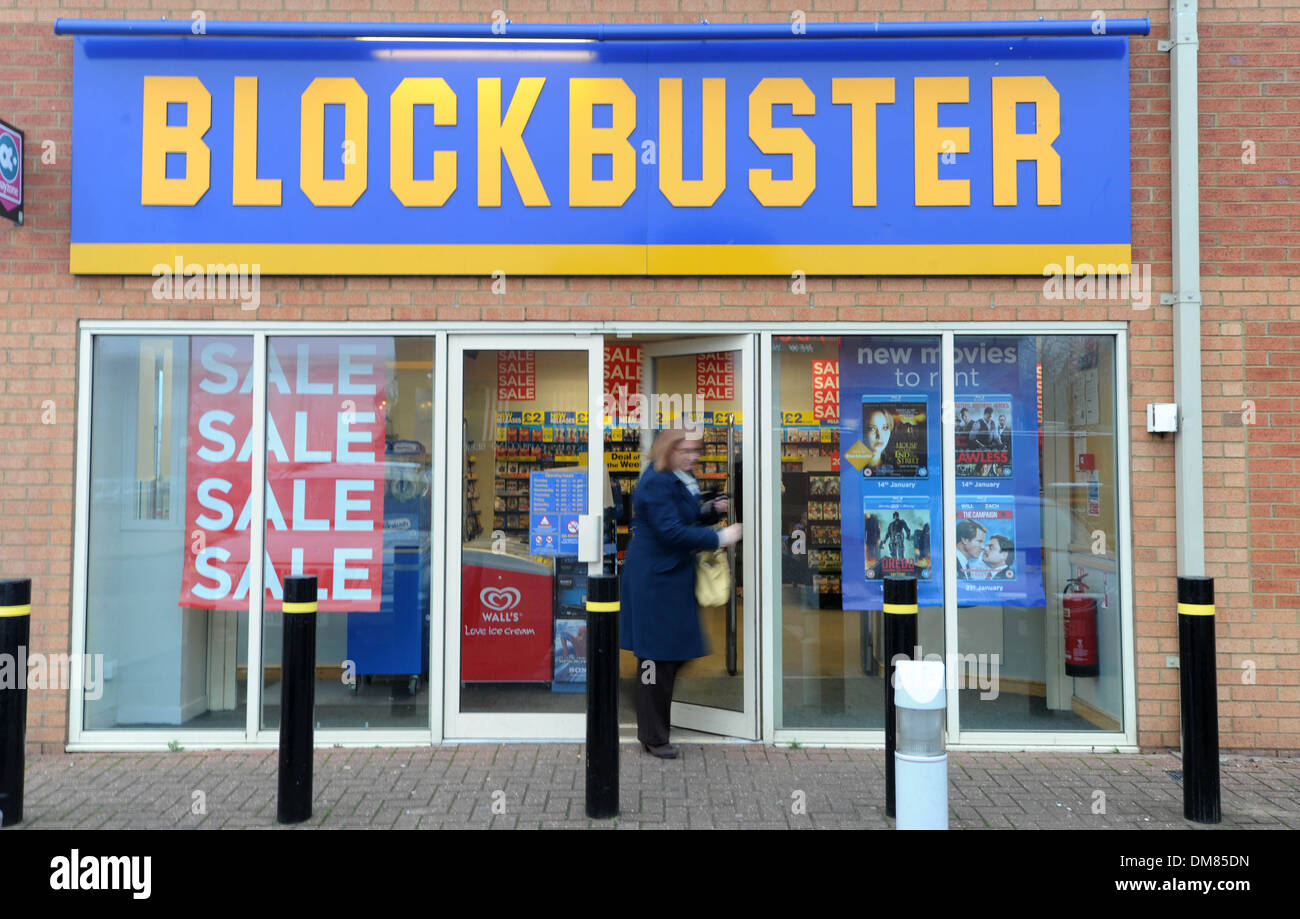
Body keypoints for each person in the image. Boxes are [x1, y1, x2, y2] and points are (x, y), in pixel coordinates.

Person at [620, 427, 742, 759]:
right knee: (657, 658)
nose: (693, 456)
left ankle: (650, 719)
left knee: (669, 654)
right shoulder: (657, 480)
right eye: (686, 450)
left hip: (669, 578)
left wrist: (708, 510)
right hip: (656, 580)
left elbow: (679, 517)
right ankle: (653, 735)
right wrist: (721, 537)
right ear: (668, 448)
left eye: (696, 450)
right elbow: (670, 531)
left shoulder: (678, 476)